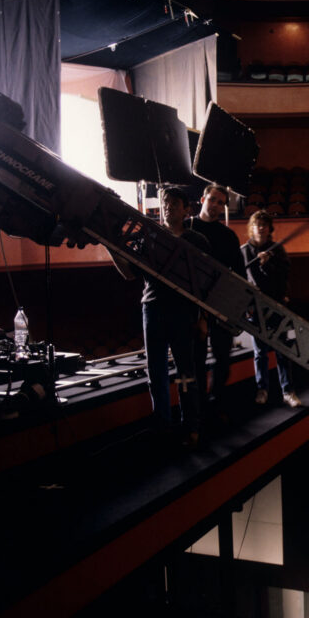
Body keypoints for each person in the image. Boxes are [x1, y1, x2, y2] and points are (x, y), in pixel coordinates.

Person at [113, 186, 209, 446]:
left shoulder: (197, 241)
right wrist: (111, 245)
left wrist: (203, 318)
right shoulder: (150, 236)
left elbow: (206, 285)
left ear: (186, 209)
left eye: (175, 203)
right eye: (165, 203)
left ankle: (191, 427)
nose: (168, 207)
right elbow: (129, 273)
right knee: (156, 374)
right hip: (152, 308)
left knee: (186, 373)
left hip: (183, 311)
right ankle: (163, 428)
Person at [188, 184, 247, 418]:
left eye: (221, 202)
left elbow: (240, 275)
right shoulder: (187, 227)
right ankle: (200, 406)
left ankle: (216, 401)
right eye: (212, 199)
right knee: (197, 359)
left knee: (223, 358)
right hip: (193, 303)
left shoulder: (229, 236)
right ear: (203, 198)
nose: (215, 205)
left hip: (220, 302)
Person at [240, 210, 302, 408]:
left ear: (269, 229)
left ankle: (288, 392)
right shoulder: (243, 251)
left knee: (284, 350)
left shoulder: (278, 250)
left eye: (264, 225)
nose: (261, 228)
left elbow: (283, 277)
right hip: (255, 309)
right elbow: (240, 280)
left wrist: (268, 265)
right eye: (257, 224)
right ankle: (262, 390)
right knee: (260, 353)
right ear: (252, 227)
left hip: (276, 306)